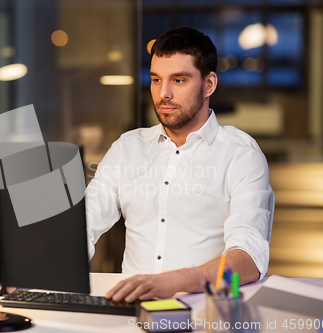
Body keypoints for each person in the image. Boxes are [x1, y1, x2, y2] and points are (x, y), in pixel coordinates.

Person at [85, 27, 274, 303]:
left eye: (178, 80)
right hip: (129, 312)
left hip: (204, 312)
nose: (163, 94)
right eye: (156, 79)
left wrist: (173, 283)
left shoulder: (241, 155)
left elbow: (249, 258)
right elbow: (83, 224)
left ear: (208, 84)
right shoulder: (128, 148)